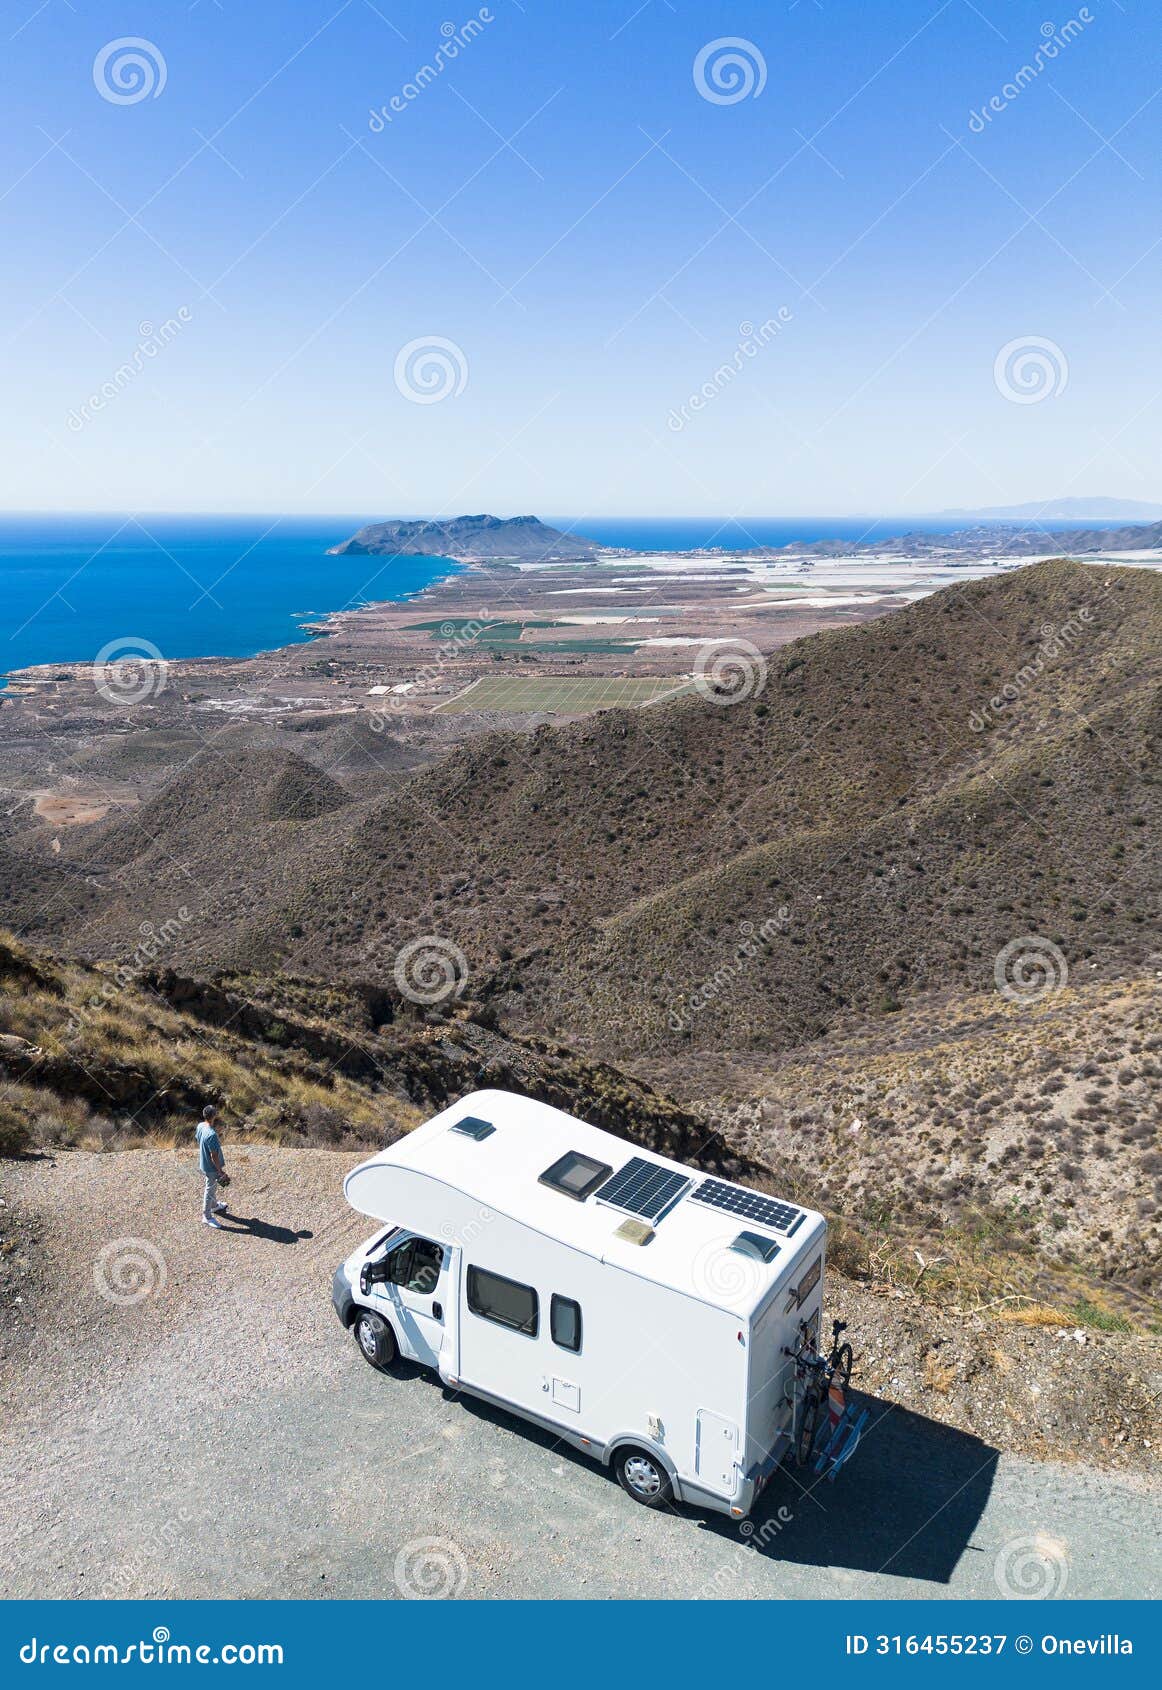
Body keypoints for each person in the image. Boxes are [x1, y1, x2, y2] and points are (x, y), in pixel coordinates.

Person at [196, 1104, 228, 1229]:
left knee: (212, 1186)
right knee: (209, 1189)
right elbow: (214, 1155)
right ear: (213, 1116)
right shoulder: (212, 1134)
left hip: (203, 1163)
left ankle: (214, 1206)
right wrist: (220, 1171)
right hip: (211, 1167)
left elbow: (198, 1140)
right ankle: (207, 1216)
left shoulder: (200, 1126)